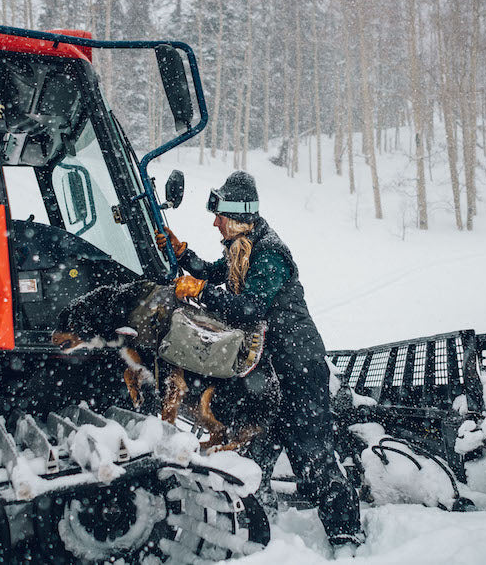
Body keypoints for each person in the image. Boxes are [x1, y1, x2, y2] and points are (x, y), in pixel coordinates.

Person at [156, 171, 365, 550]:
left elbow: (249, 308)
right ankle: (265, 526)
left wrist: (202, 291)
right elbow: (213, 274)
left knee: (310, 453)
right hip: (269, 370)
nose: (214, 221)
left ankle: (346, 534)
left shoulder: (268, 253)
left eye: (219, 214)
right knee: (256, 446)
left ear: (237, 216)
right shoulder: (242, 247)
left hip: (299, 367)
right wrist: (181, 253)